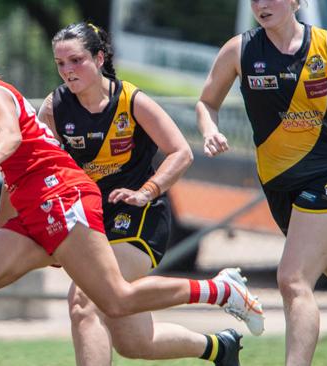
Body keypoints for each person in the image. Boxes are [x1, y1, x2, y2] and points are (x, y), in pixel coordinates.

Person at [0, 17, 264, 366]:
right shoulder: (28, 107)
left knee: (109, 300)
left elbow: (9, 136)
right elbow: (15, 179)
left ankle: (220, 289)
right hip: (39, 210)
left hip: (69, 201)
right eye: (60, 62)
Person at [35, 21, 250, 366]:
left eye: (76, 61)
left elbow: (181, 152)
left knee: (84, 301)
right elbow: (44, 168)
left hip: (139, 218)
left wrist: (147, 192)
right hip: (92, 222)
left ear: (99, 57)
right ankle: (218, 347)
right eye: (61, 64)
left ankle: (218, 291)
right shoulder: (55, 107)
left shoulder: (131, 100)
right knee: (134, 342)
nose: (68, 71)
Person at [196, 1, 327, 365]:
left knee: (293, 280)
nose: (262, 5)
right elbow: (206, 103)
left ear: (295, 1)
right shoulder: (240, 50)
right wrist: (209, 130)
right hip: (280, 187)